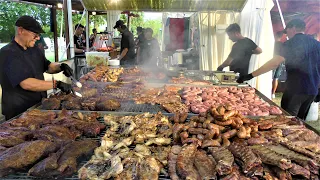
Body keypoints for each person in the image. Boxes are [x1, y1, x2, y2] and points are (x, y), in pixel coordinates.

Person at [237, 19, 320, 120]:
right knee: (301, 121)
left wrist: (250, 75)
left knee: (288, 120)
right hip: (312, 90)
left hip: (296, 89)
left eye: (286, 31)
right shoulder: (317, 44)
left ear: (293, 28)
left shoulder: (291, 43)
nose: (286, 35)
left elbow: (274, 63)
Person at [0, 15, 73, 120]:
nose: (38, 38)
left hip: (37, 106)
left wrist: (60, 67)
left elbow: (47, 66)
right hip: (18, 112)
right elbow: (26, 83)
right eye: (35, 34)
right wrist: (56, 84)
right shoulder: (8, 53)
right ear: (20, 30)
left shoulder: (34, 50)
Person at [271, 31, 285, 99]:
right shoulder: (283, 45)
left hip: (273, 61)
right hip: (280, 62)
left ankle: (269, 91)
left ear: (275, 36)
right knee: (276, 78)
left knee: (270, 78)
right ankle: (273, 93)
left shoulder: (273, 44)